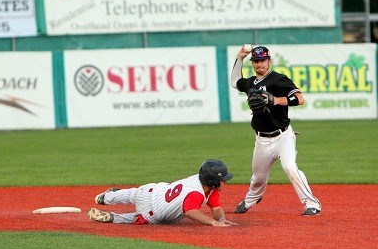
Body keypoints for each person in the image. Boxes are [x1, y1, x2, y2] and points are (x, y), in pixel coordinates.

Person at [230, 45, 322, 216]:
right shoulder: (250, 82)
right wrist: (240, 57)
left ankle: (311, 204)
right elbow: (235, 82)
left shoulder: (279, 79)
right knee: (258, 178)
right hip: (262, 139)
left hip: (283, 136)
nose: (259, 64)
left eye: (263, 60)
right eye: (256, 61)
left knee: (290, 167)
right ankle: (251, 199)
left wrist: (275, 100)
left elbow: (299, 99)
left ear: (269, 61)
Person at [87, 159, 238, 226]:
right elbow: (190, 211)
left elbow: (216, 208)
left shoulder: (203, 183)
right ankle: (113, 217)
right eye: (222, 179)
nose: (225, 181)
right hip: (153, 213)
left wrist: (221, 219)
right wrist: (212, 222)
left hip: (153, 191)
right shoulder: (197, 193)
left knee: (132, 193)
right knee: (136, 218)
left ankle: (106, 197)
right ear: (212, 181)